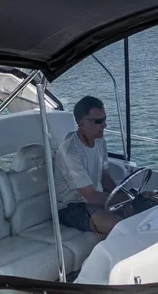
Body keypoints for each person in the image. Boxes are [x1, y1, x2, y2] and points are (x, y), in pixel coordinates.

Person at [54, 96, 127, 235]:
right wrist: (121, 200)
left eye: (104, 119)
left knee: (139, 207)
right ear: (81, 123)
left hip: (94, 201)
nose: (105, 125)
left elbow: (105, 178)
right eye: (98, 121)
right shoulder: (70, 151)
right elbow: (91, 196)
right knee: (119, 225)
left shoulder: (100, 142)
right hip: (71, 207)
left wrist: (126, 196)